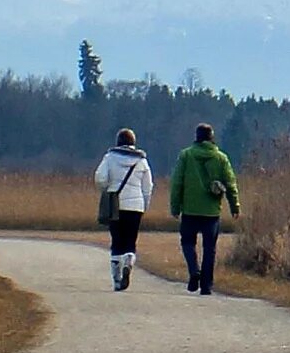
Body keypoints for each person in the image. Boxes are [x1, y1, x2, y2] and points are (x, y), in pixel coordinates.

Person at [169, 123, 242, 295]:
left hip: (189, 209)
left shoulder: (186, 155)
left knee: (187, 242)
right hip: (211, 211)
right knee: (210, 247)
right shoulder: (221, 158)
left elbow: (177, 182)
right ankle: (206, 285)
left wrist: (175, 206)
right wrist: (234, 205)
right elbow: (231, 183)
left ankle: (194, 272)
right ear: (212, 138)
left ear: (197, 137)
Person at [93, 129, 153, 292]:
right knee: (130, 241)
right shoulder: (141, 161)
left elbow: (100, 178)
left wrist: (107, 189)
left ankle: (117, 279)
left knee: (116, 241)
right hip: (136, 206)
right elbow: (148, 187)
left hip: (116, 205)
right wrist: (144, 204)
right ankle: (129, 261)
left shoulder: (110, 158)